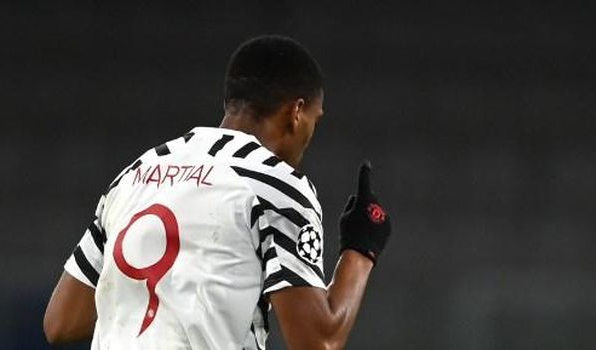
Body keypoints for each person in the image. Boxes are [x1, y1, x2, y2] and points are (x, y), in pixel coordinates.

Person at [43, 35, 392, 350]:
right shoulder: (275, 185)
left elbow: (61, 322)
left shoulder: (137, 173)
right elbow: (318, 341)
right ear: (296, 112)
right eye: (316, 120)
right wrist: (361, 247)